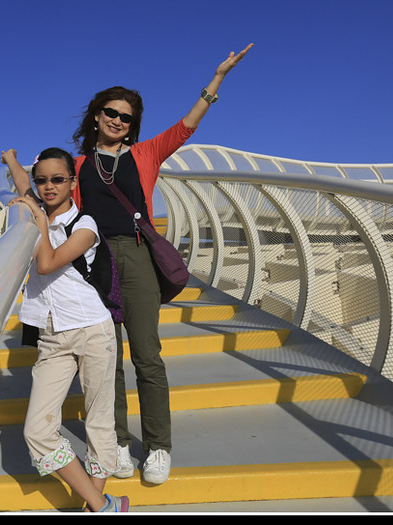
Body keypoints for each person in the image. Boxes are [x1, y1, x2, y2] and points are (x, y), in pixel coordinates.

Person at [70, 44, 254, 485]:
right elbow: (51, 196)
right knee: (104, 359)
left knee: (147, 356)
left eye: (126, 117)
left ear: (133, 126)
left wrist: (218, 77)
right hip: (94, 261)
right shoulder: (76, 165)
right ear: (96, 116)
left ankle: (158, 446)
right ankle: (115, 442)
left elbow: (186, 126)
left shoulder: (144, 155)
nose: (118, 120)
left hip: (136, 257)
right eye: (111, 112)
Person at [0, 147, 130, 513]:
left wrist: (38, 221)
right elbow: (23, 182)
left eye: (58, 179)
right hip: (52, 334)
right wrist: (11, 160)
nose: (48, 187)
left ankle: (95, 507)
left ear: (72, 182)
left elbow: (47, 263)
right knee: (37, 431)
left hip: (92, 330)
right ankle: (103, 505)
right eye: (42, 180)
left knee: (99, 420)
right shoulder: (37, 202)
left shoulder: (85, 225)